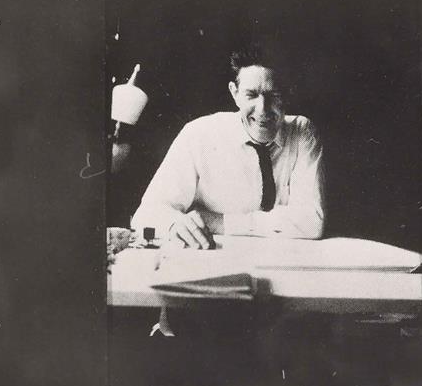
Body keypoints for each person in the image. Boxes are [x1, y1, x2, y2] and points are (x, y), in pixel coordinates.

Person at [130, 49, 325, 248]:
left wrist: (221, 222)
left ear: (286, 95)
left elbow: (311, 222)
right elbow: (147, 214)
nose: (263, 109)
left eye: (274, 95)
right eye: (251, 95)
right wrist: (174, 224)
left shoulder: (302, 132)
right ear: (235, 93)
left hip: (281, 257)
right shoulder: (199, 134)